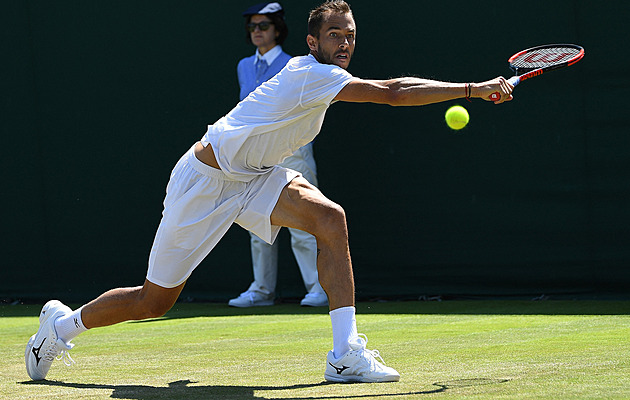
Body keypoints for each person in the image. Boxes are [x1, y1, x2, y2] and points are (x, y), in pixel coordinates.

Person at [25, 0, 512, 384]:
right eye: (334, 35)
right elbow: (390, 90)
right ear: (312, 41)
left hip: (256, 175)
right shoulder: (312, 74)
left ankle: (344, 356)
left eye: (351, 36)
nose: (344, 43)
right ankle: (61, 328)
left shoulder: (324, 76)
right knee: (153, 302)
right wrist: (472, 88)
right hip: (205, 182)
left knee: (330, 219)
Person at [230, 2, 328, 308]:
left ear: (277, 30)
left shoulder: (294, 65)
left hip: (292, 151)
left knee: (302, 222)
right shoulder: (244, 66)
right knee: (257, 223)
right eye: (252, 27)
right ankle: (261, 290)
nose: (257, 32)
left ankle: (318, 288)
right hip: (255, 156)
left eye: (263, 26)